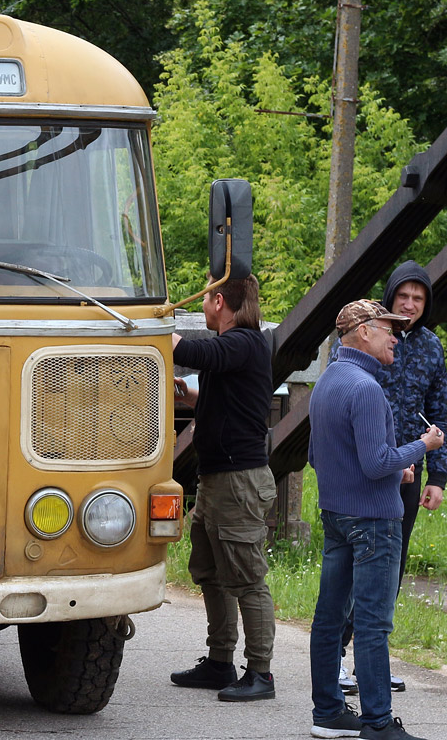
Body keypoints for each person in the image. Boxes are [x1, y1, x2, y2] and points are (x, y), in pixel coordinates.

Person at [308, 299, 444, 740]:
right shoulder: (366, 388)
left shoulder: (327, 381)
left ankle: (327, 713)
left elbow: (319, 456)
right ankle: (378, 724)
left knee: (329, 618)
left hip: (337, 516)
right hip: (374, 522)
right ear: (363, 331)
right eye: (389, 327)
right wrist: (422, 447)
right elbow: (375, 461)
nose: (397, 336)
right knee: (371, 625)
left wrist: (394, 467)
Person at [329, 262, 446, 694]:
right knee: (355, 568)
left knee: (390, 569)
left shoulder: (432, 347)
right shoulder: (370, 335)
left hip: (411, 466)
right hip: (367, 466)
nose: (410, 305)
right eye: (404, 297)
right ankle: (338, 658)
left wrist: (439, 476)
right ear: (391, 297)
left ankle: (369, 660)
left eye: (418, 299)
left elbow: (440, 410)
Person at [168, 275, 278, 702]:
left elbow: (195, 351)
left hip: (239, 482)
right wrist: (195, 399)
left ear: (218, 301)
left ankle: (261, 673)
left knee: (247, 578)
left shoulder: (245, 342)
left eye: (208, 293)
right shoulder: (234, 351)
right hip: (216, 480)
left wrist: (151, 323)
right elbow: (234, 402)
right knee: (212, 573)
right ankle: (220, 662)